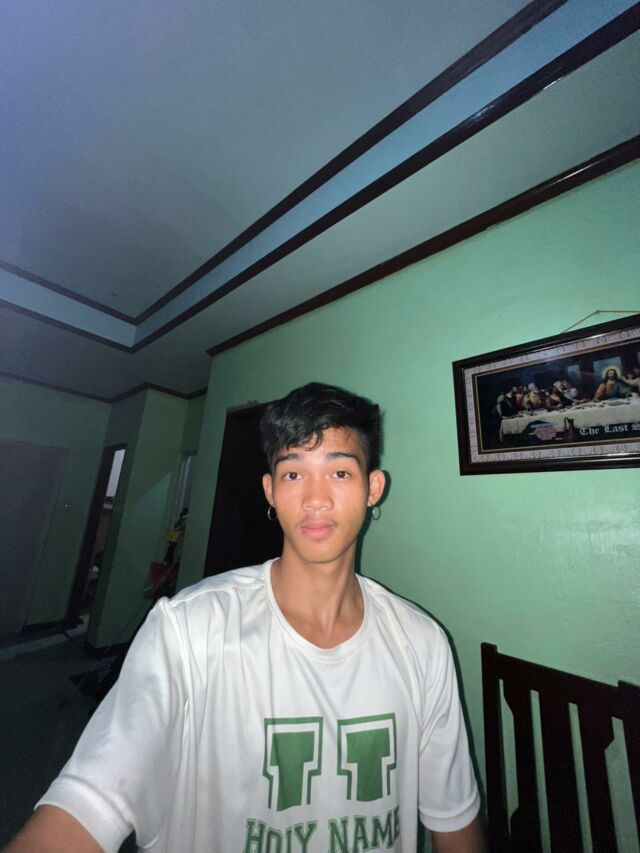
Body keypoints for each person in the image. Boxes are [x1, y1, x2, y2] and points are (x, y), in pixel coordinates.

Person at [7, 383, 485, 853]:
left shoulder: (422, 643)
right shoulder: (188, 631)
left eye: (339, 472)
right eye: (293, 474)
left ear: (372, 488)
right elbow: (86, 804)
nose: (316, 498)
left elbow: (455, 824)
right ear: (270, 491)